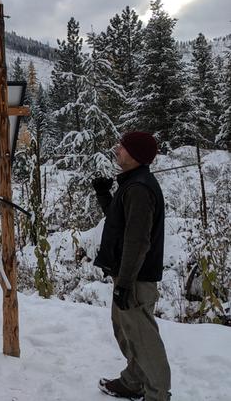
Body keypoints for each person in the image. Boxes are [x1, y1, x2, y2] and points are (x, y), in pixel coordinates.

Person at [92, 131, 171, 401]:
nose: (117, 150)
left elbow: (137, 241)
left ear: (136, 155)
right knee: (127, 331)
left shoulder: (139, 188)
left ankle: (157, 394)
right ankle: (134, 381)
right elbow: (120, 223)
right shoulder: (133, 184)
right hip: (128, 274)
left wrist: (125, 283)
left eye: (123, 147)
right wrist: (104, 195)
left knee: (142, 338)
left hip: (135, 277)